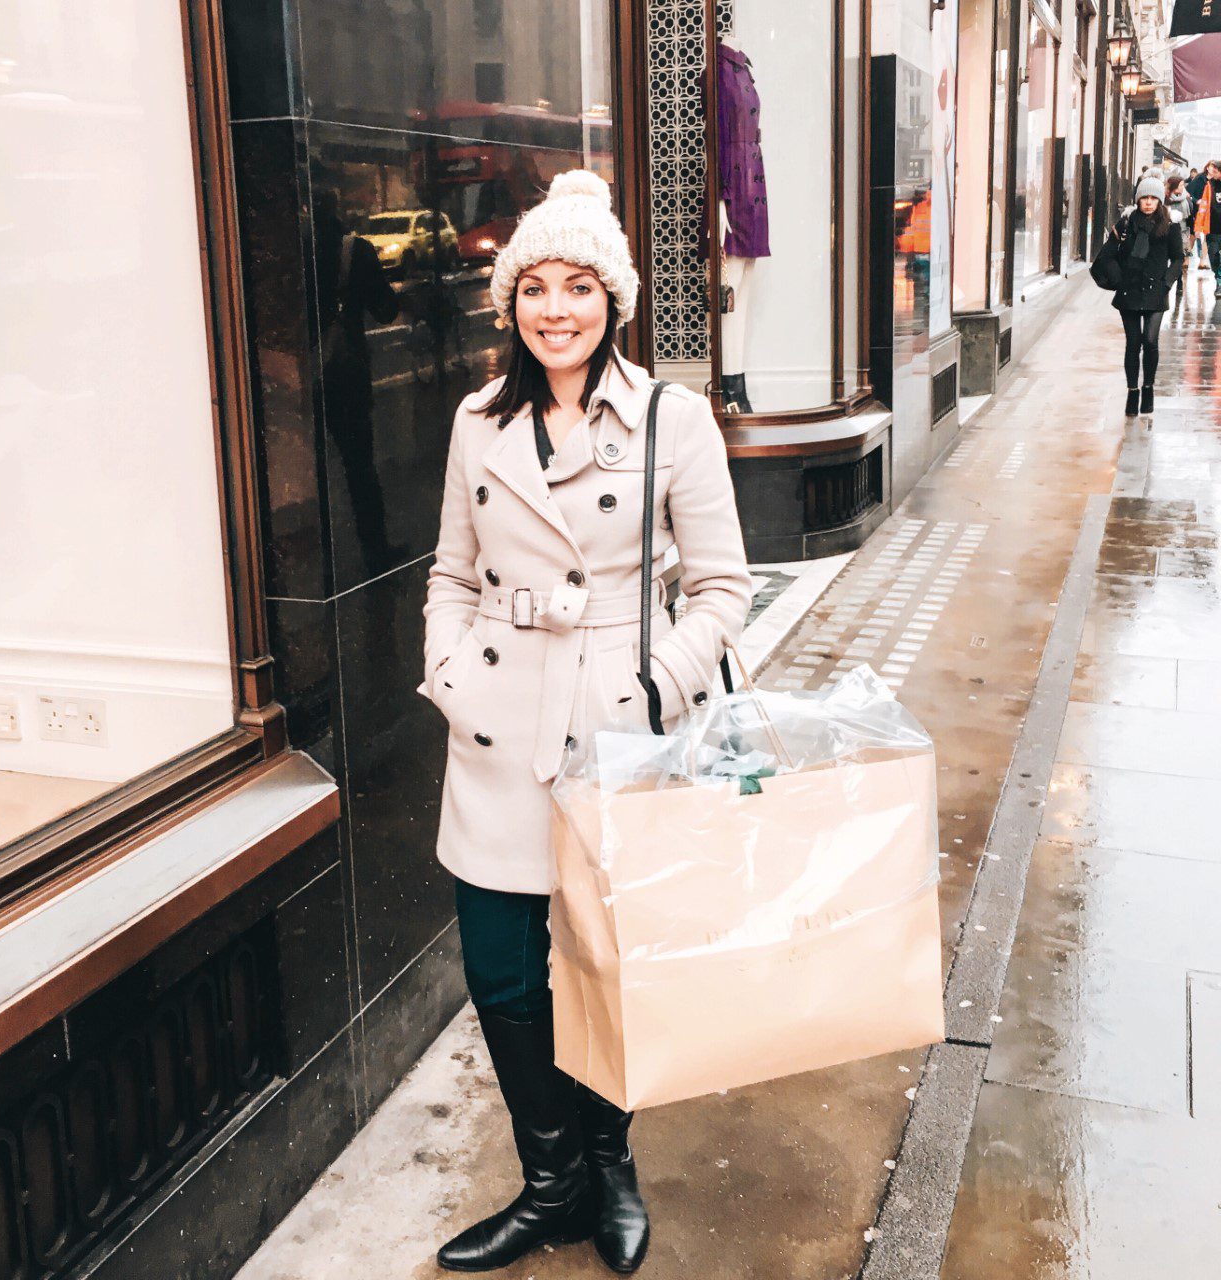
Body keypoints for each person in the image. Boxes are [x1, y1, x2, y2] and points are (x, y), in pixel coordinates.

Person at [420, 169, 752, 1274]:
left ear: (612, 300)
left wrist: (650, 686)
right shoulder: (477, 419)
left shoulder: (672, 417)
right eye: (532, 288)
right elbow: (449, 574)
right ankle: (547, 1184)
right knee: (504, 974)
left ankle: (608, 1167)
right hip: (495, 726)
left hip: (616, 727)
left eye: (577, 287)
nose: (553, 309)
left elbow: (720, 589)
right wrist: (448, 672)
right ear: (508, 301)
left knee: (606, 964)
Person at [1101, 173, 1184, 417]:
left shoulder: (1170, 224)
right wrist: (1117, 277)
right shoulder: (1127, 223)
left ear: (1160, 201)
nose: (1148, 202)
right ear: (1137, 200)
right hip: (1129, 289)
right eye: (1144, 198)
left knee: (1150, 341)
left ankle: (1148, 388)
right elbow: (1110, 253)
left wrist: (1167, 282)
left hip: (1156, 290)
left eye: (1153, 198)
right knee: (1133, 343)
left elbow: (1178, 258)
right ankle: (1132, 391)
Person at [1186, 160, 1221, 285]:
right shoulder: (1209, 185)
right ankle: (1218, 278)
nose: (1212, 173)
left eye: (1215, 171)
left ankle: (1219, 280)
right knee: (1213, 254)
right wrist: (1198, 226)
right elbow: (1203, 207)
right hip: (1212, 227)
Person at [1166, 175, 1195, 278]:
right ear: (1174, 186)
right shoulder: (1165, 199)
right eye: (1181, 185)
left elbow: (1190, 220)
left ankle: (1179, 282)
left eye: (1183, 184)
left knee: (1181, 259)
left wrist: (1192, 235)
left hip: (1183, 234)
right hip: (1166, 232)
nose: (1183, 187)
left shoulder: (1187, 199)